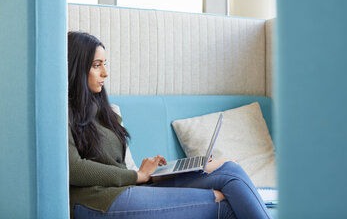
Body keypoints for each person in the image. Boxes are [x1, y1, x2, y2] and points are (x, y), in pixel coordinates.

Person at [68, 31, 272, 219]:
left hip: (127, 187)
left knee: (229, 170)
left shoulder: (104, 110)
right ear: (77, 68)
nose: (105, 73)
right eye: (96, 65)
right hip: (95, 200)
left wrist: (152, 174)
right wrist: (137, 175)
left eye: (105, 64)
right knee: (223, 202)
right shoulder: (62, 112)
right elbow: (74, 168)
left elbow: (117, 168)